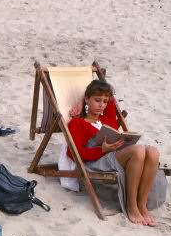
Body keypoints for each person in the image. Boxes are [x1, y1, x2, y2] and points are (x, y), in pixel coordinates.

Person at [67, 79, 165, 226]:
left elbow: (111, 98)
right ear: (88, 99)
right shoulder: (77, 123)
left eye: (104, 102)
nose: (102, 105)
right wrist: (102, 149)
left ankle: (142, 206)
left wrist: (84, 99)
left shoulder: (106, 118)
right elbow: (75, 153)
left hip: (113, 156)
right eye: (97, 100)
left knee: (153, 152)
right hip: (96, 162)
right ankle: (131, 206)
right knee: (138, 151)